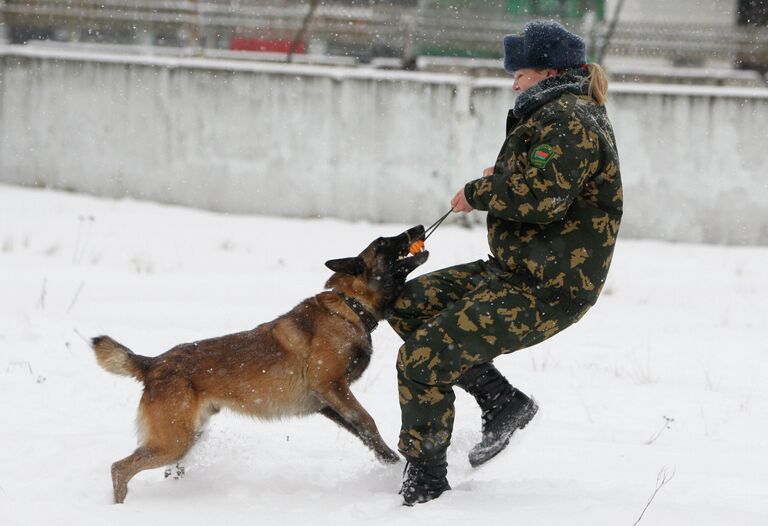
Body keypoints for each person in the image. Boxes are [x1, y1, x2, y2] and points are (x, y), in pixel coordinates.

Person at [388, 20, 623, 506]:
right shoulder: (552, 113)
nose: (514, 82)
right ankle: (502, 402)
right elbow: (551, 181)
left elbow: (543, 199)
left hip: (549, 286)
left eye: (521, 73)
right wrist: (507, 175)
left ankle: (427, 480)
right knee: (407, 304)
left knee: (422, 358)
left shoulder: (569, 119)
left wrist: (479, 193)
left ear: (548, 72)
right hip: (515, 268)